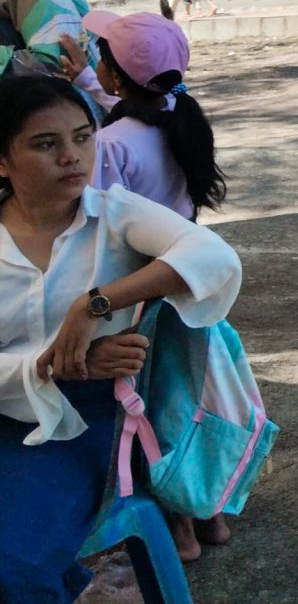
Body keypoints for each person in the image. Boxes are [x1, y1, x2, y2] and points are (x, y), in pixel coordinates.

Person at [0, 75, 241, 602]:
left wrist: (96, 303)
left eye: (83, 137)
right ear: (2, 161)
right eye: (46, 143)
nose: (72, 156)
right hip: (11, 409)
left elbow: (214, 258)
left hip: (82, 423)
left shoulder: (113, 213)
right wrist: (58, 362)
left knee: (11, 566)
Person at [59, 9, 228, 559]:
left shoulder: (110, 143)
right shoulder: (181, 115)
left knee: (146, 409)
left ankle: (178, 531)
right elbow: (126, 114)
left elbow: (97, 214)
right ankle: (211, 516)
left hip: (138, 294)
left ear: (114, 76)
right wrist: (90, 80)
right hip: (185, 286)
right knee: (186, 397)